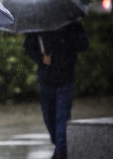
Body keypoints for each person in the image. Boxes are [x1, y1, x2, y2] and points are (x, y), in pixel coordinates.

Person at [23, 21, 89, 159]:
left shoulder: (72, 23)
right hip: (46, 78)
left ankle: (61, 151)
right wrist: (41, 59)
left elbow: (83, 44)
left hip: (66, 78)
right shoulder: (39, 23)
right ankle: (59, 144)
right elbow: (28, 47)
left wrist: (67, 34)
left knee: (62, 115)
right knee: (49, 116)